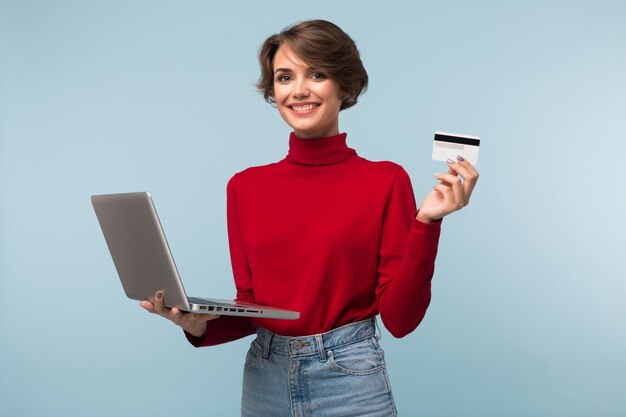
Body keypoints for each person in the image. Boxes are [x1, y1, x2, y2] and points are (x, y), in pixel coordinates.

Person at [140, 19, 479, 417]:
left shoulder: (385, 180)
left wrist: (427, 224)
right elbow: (254, 306)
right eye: (285, 77)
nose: (298, 89)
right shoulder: (244, 188)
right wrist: (197, 325)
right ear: (274, 91)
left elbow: (401, 321)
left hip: (349, 377)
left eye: (316, 74)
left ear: (345, 86)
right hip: (265, 376)